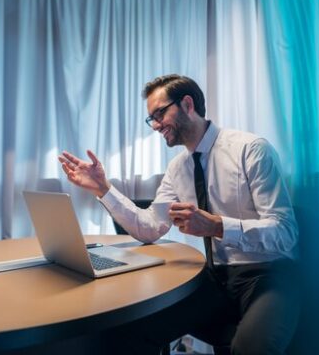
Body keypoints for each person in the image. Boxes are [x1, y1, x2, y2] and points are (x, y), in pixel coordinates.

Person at [59, 74, 300, 355]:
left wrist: (218, 226)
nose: (156, 125)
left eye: (160, 113)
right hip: (216, 279)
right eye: (151, 119)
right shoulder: (178, 168)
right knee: (129, 329)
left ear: (187, 104)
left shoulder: (251, 149)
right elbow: (148, 227)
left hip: (268, 274)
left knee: (251, 349)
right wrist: (103, 188)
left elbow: (285, 233)